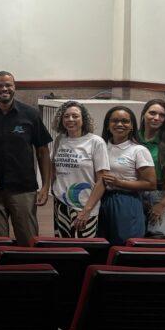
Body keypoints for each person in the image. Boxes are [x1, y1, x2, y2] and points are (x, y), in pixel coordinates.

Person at [0, 71, 52, 245]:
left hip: (24, 188)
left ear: (15, 87)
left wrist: (45, 186)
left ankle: (28, 263)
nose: (4, 89)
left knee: (28, 241)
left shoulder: (30, 115)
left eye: (8, 85)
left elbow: (43, 151)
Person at [49, 101, 108, 238]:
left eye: (75, 116)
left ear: (84, 119)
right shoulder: (60, 139)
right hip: (61, 204)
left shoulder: (96, 142)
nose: (70, 119)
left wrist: (87, 210)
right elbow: (53, 165)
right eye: (66, 116)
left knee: (83, 246)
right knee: (62, 244)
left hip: (84, 204)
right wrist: (52, 187)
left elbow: (102, 180)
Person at [98, 106, 156, 245]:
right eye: (115, 121)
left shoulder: (138, 150)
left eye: (125, 121)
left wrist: (119, 182)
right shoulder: (100, 146)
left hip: (126, 201)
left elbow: (151, 184)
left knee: (124, 244)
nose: (119, 124)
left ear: (132, 126)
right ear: (107, 125)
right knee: (101, 244)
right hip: (100, 199)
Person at [140, 100, 165, 239]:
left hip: (163, 195)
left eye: (162, 115)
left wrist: (163, 204)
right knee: (135, 239)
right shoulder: (133, 140)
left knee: (156, 240)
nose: (156, 118)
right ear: (144, 114)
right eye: (152, 113)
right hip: (136, 196)